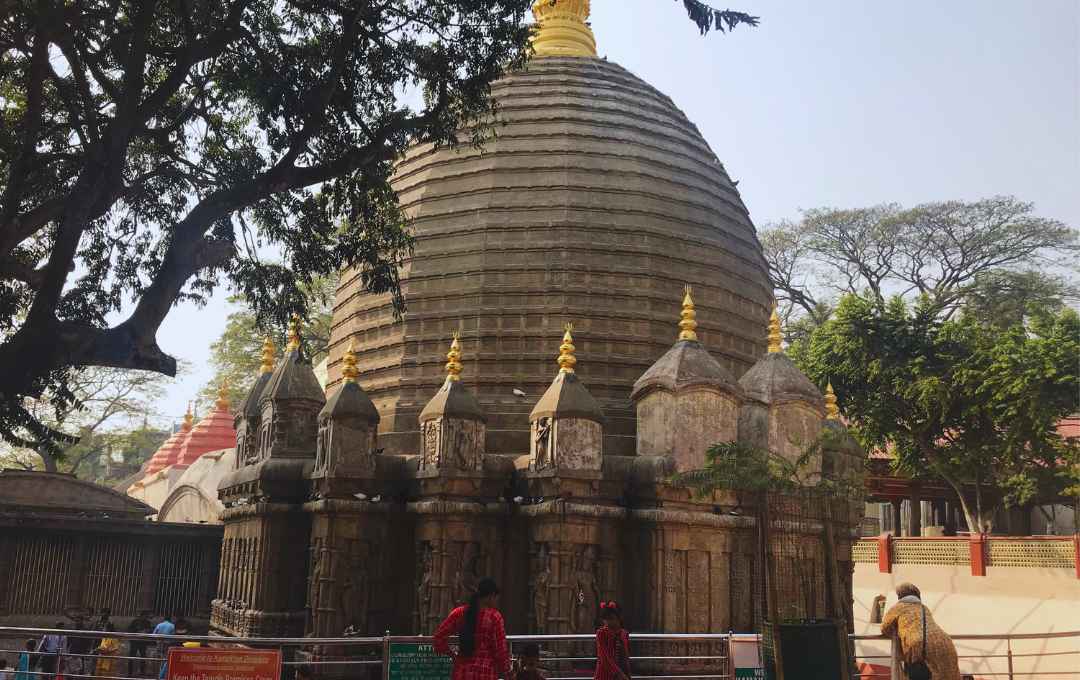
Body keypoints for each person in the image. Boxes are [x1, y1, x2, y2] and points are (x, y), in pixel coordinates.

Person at [433, 577, 510, 680]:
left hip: (461, 673)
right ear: (491, 595)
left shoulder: (459, 613)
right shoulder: (494, 617)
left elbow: (438, 638)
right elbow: (501, 651)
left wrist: (453, 655)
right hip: (486, 673)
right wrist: (507, 673)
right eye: (496, 598)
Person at [881, 583, 960, 680]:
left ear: (900, 596)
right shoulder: (923, 607)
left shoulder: (898, 608)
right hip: (945, 642)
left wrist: (900, 632)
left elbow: (884, 627)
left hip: (920, 645)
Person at [594, 602, 630, 680]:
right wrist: (620, 674)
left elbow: (625, 657)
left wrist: (626, 674)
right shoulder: (601, 633)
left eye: (611, 618)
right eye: (605, 619)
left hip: (623, 672)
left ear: (618, 618)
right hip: (605, 674)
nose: (608, 622)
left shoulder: (624, 633)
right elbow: (604, 658)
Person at [127, 610, 153, 677]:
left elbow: (150, 631)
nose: (145, 617)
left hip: (142, 642)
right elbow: (129, 630)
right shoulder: (135, 622)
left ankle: (142, 671)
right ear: (141, 616)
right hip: (135, 641)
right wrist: (137, 632)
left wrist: (146, 631)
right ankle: (130, 672)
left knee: (143, 657)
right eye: (144, 616)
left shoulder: (147, 622)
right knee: (131, 657)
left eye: (146, 616)